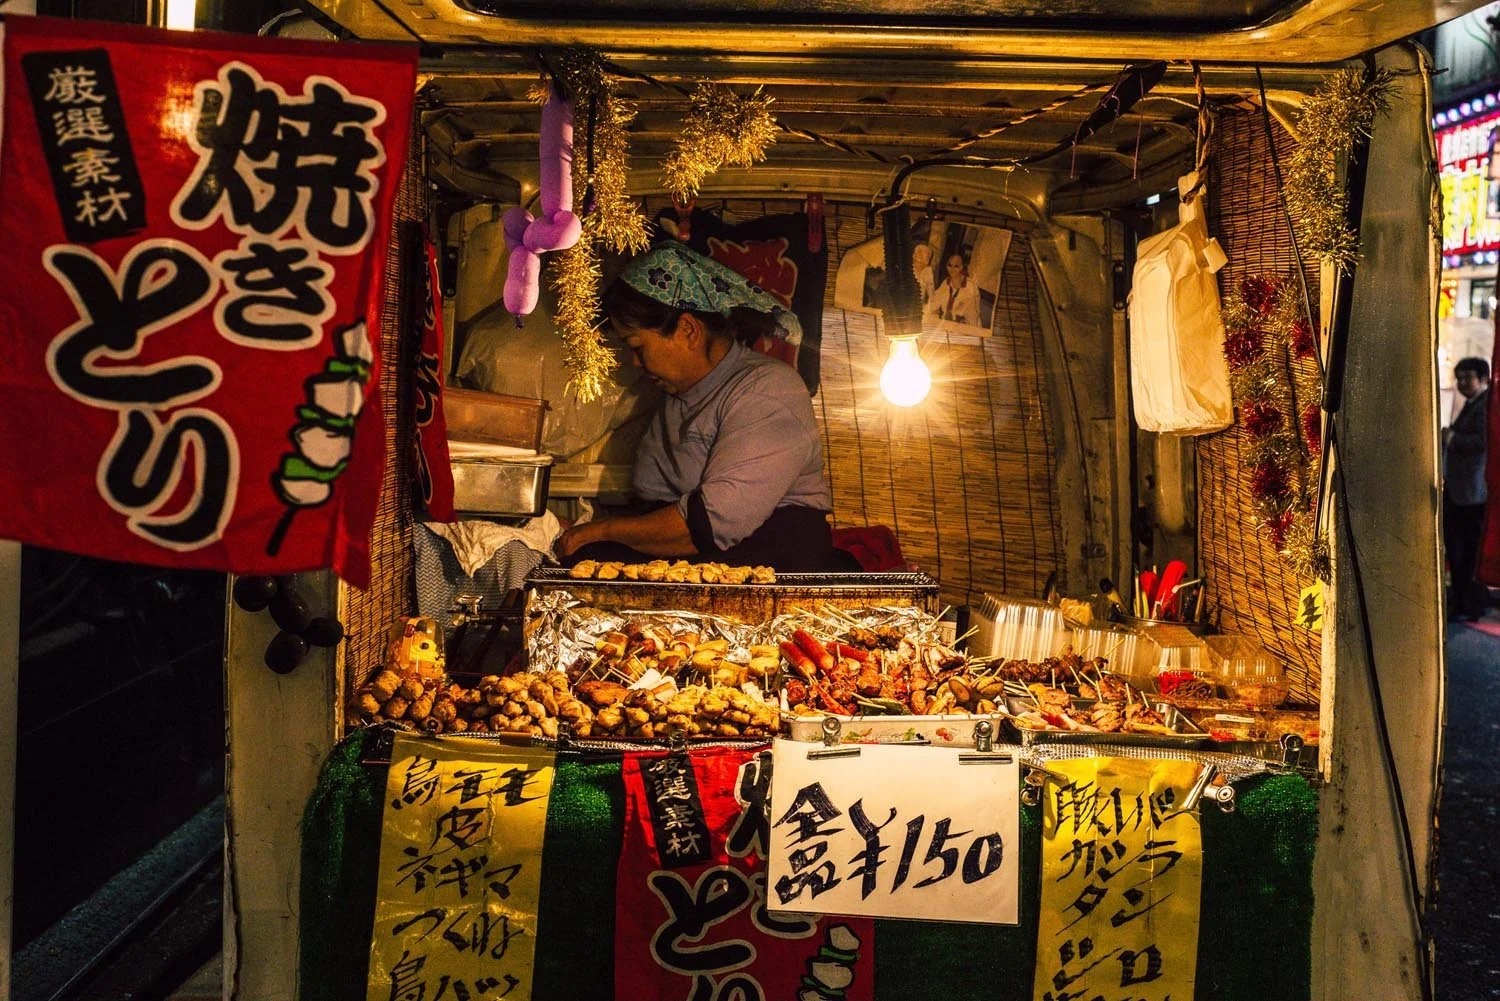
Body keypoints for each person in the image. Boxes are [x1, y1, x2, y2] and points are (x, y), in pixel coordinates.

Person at [556, 242, 839, 571]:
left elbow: (711, 523)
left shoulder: (767, 390)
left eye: (637, 346)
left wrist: (598, 532)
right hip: (697, 549)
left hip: (768, 558)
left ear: (688, 330)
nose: (634, 362)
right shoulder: (677, 393)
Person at [1444, 356, 1490, 620]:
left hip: (1471, 492)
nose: (1462, 383)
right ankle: (1463, 602)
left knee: (1467, 550)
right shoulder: (1474, 404)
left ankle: (1467, 604)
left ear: (1482, 379)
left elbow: (1482, 441)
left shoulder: (1484, 406)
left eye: (1468, 377)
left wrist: (1452, 437)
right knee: (1460, 548)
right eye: (1459, 378)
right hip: (1462, 489)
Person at [926, 252, 982, 326]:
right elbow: (934, 302)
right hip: (946, 325)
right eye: (950, 265)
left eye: (956, 266)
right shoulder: (946, 283)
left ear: (961, 267)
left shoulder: (970, 286)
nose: (952, 269)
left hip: (965, 326)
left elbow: (973, 317)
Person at [911, 242, 936, 307]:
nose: (920, 254)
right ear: (914, 256)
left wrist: (931, 307)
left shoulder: (928, 271)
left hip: (919, 307)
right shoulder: (907, 269)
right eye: (919, 252)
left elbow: (931, 293)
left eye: (928, 255)